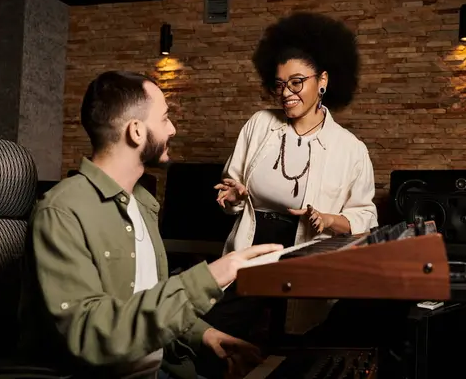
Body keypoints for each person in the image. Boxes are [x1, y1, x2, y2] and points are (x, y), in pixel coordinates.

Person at [17, 71, 283, 379]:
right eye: (165, 118)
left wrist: (205, 335)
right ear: (136, 132)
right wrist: (213, 275)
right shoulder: (61, 211)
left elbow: (147, 301)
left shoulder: (141, 203)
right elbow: (90, 334)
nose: (172, 128)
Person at [206, 12, 379, 343]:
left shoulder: (351, 149)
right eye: (280, 84)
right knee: (221, 330)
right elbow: (232, 187)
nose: (287, 93)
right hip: (254, 246)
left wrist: (328, 219)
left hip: (304, 253)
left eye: (297, 82)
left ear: (323, 81)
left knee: (292, 342)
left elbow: (365, 216)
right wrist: (234, 198)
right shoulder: (259, 124)